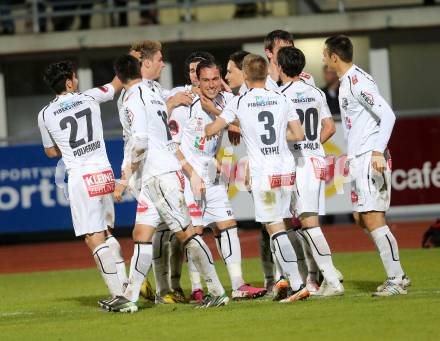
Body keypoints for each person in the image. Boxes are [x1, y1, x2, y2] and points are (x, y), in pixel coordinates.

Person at [104, 54, 229, 312]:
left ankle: (217, 291)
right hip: (157, 176)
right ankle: (130, 297)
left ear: (119, 76)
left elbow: (139, 141)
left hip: (158, 176)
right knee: (141, 234)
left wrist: (125, 178)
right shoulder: (151, 92)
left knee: (187, 234)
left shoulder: (133, 97)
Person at [205, 54, 309, 303]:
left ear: (246, 74)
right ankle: (290, 281)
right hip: (285, 169)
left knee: (274, 228)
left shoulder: (240, 102)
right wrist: (272, 138)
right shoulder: (281, 99)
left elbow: (212, 129)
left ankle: (296, 284)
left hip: (264, 171)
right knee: (279, 225)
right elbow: (298, 134)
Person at [169, 59, 267, 300]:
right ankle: (197, 288)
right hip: (189, 176)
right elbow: (171, 144)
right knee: (196, 232)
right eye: (206, 80)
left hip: (212, 175)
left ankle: (238, 284)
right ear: (197, 81)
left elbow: (247, 120)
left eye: (215, 79)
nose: (211, 85)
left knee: (228, 224)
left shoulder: (226, 102)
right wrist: (190, 174)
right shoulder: (185, 106)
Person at [323, 35, 411, 296]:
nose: (323, 59)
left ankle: (397, 279)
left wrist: (376, 152)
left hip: (369, 158)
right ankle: (397, 276)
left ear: (334, 57)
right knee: (361, 217)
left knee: (372, 217)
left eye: (325, 55)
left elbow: (388, 116)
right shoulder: (349, 81)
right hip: (358, 159)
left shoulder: (357, 82)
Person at [38, 61, 127, 309]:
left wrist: (66, 146)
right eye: (75, 78)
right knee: (107, 232)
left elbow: (50, 152)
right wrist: (129, 61)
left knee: (92, 237)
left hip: (81, 177)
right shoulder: (90, 97)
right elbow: (116, 84)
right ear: (68, 82)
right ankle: (126, 286)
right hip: (104, 172)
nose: (77, 81)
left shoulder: (45, 113)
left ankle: (121, 296)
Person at [118, 40, 193, 304]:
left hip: (158, 168)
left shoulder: (154, 88)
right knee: (173, 231)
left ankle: (143, 289)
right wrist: (126, 176)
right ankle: (165, 290)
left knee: (151, 232)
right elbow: (140, 137)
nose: (163, 63)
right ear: (144, 62)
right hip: (148, 171)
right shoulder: (131, 96)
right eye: (159, 59)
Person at [278, 46, 344, 297]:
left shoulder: (282, 95)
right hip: (315, 160)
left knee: (308, 222)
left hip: (298, 162)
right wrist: (313, 144)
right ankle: (324, 278)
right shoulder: (315, 91)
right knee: (308, 221)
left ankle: (332, 278)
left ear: (281, 68)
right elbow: (330, 127)